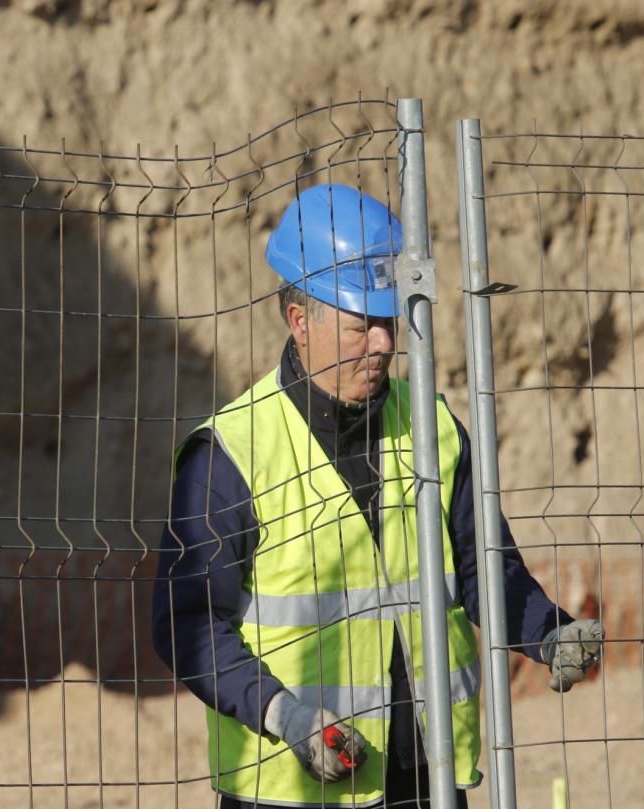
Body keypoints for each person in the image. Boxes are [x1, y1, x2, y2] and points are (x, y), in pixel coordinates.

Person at [151, 183, 604, 808]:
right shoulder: (230, 453)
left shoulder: (434, 429)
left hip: (424, 778)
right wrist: (284, 716)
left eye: (390, 322)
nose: (385, 344)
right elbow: (189, 626)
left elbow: (485, 570)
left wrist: (549, 633)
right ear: (299, 321)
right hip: (289, 788)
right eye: (362, 324)